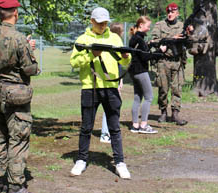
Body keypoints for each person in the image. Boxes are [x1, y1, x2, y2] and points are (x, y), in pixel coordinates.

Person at [0, 0, 41, 193]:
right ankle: (16, 188)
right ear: (15, 12)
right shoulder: (19, 38)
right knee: (18, 140)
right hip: (15, 97)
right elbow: (30, 69)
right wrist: (30, 50)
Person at [70, 7, 132, 179]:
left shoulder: (114, 37)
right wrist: (91, 55)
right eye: (99, 22)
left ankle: (119, 162)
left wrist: (126, 56)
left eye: (105, 22)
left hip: (110, 87)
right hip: (90, 87)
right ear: (92, 21)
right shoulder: (83, 39)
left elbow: (125, 61)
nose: (102, 25)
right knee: (86, 127)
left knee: (114, 127)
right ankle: (81, 159)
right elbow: (74, 62)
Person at [151, 2, 188, 126]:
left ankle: (175, 114)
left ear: (177, 13)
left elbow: (187, 41)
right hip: (163, 61)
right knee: (163, 88)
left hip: (177, 62)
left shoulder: (182, 26)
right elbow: (154, 40)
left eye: (173, 12)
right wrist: (173, 37)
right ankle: (163, 112)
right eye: (168, 12)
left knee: (177, 89)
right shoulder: (160, 25)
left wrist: (189, 34)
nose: (170, 14)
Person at [128, 16, 166, 134]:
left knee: (137, 97)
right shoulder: (139, 39)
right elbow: (145, 56)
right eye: (148, 26)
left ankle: (135, 125)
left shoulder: (135, 38)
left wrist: (148, 46)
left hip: (134, 71)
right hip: (141, 71)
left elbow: (140, 53)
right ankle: (143, 125)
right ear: (141, 25)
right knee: (149, 97)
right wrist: (160, 51)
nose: (149, 28)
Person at [100, 22, 124, 143]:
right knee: (109, 107)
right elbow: (117, 64)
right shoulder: (114, 44)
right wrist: (119, 81)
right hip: (110, 82)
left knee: (114, 106)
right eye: (122, 31)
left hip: (114, 80)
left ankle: (110, 131)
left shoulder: (116, 43)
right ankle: (105, 133)